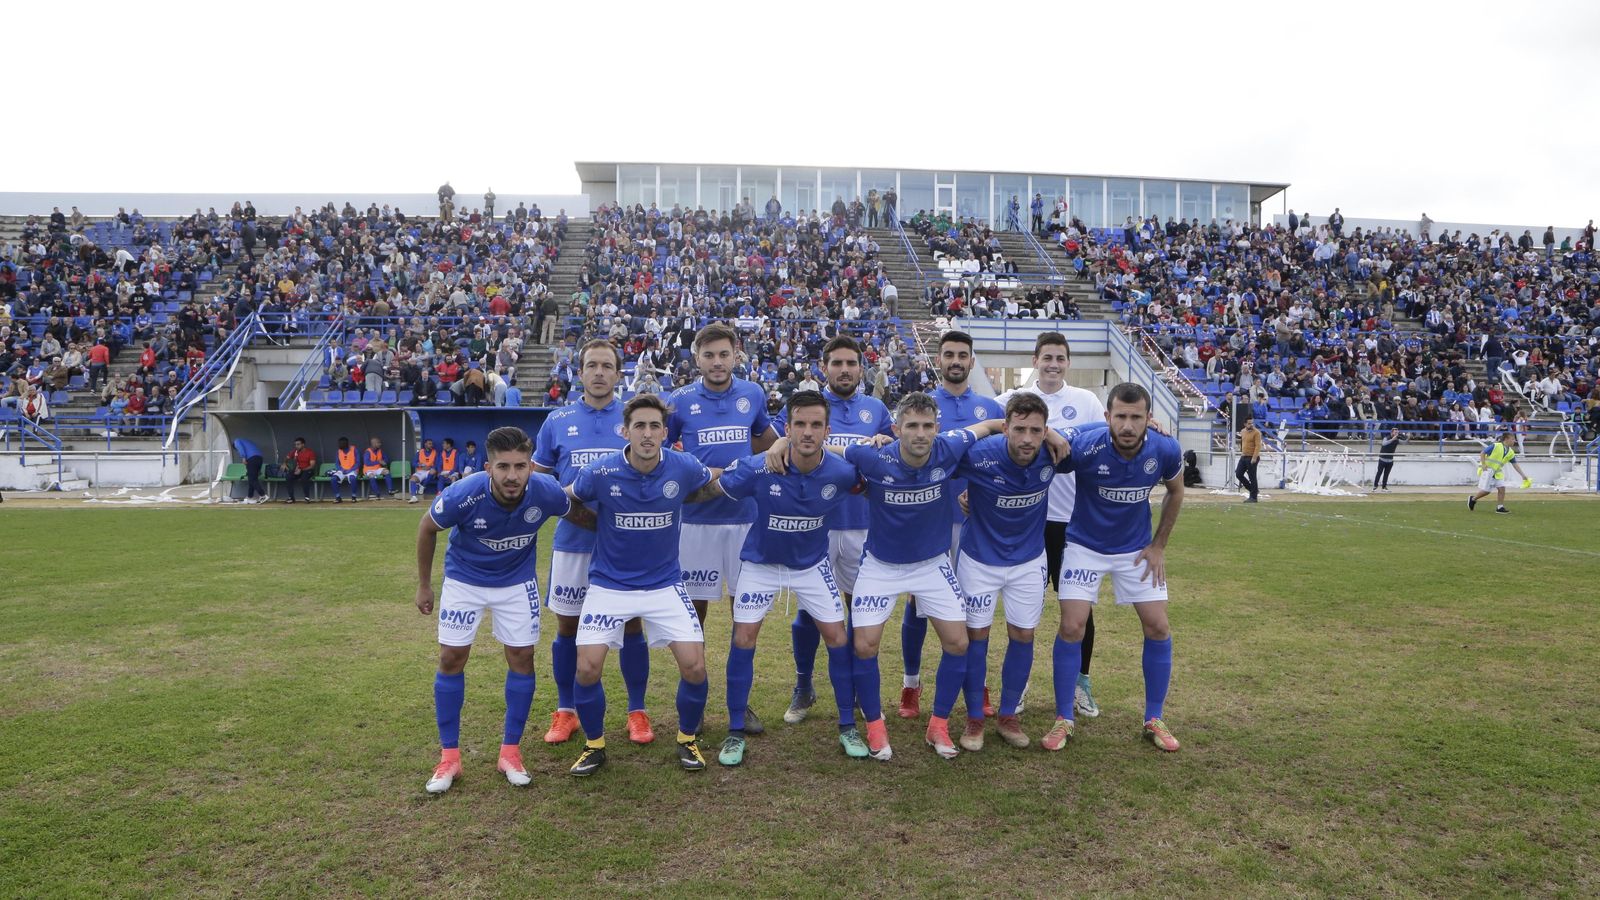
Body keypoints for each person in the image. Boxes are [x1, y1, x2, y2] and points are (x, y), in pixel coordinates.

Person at [766, 391, 980, 761]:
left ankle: (939, 725)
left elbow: (991, 426)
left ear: (938, 428)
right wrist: (785, 441)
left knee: (959, 643)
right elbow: (825, 447)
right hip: (881, 566)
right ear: (896, 429)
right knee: (864, 646)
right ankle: (875, 725)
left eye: (927, 426)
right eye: (911, 426)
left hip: (932, 564)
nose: (919, 434)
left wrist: (1052, 435)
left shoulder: (948, 448)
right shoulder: (872, 456)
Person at [686, 390, 865, 765]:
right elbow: (708, 491)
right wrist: (661, 491)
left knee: (837, 635)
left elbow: (881, 479)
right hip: (761, 564)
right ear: (787, 428)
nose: (807, 432)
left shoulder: (842, 473)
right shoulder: (758, 467)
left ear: (828, 431)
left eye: (816, 425)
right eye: (799, 424)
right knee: (744, 635)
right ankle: (735, 731)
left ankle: (848, 725)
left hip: (812, 566)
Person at [416, 426, 593, 794]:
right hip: (465, 581)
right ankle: (449, 757)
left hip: (516, 584)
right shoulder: (464, 494)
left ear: (531, 467)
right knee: (451, 658)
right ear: (488, 467)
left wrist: (621, 528)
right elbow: (427, 527)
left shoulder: (545, 491)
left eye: (520, 466)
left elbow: (578, 514)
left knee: (522, 658)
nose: (512, 476)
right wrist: (424, 585)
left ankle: (510, 753)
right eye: (503, 467)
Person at [564, 394, 716, 777]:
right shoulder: (599, 472)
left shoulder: (683, 466)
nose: (647, 434)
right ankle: (594, 746)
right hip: (609, 584)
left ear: (665, 432)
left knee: (695, 666)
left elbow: (711, 481)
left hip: (665, 584)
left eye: (654, 426)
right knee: (586, 669)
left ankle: (687, 739)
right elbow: (568, 499)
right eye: (639, 426)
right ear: (625, 431)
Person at [1049, 382, 1186, 753]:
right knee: (1072, 625)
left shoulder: (1165, 448)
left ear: (1148, 419)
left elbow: (1176, 491)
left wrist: (1158, 546)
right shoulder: (1086, 442)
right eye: (1121, 417)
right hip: (1084, 546)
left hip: (1135, 550)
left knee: (1158, 626)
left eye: (1136, 417)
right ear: (1108, 417)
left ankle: (1154, 717)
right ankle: (1064, 717)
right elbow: (1045, 440)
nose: (1128, 425)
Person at [533, 340, 654, 746]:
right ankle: (566, 710)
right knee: (567, 626)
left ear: (619, 374)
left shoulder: (634, 420)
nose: (599, 372)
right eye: (591, 366)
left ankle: (637, 712)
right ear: (579, 372)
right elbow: (540, 482)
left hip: (627, 545)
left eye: (607, 366)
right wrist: (575, 512)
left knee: (632, 624)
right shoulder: (558, 420)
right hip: (573, 542)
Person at [665, 324, 780, 731]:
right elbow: (663, 454)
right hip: (696, 524)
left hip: (744, 522)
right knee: (692, 619)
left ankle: (738, 706)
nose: (717, 362)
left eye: (724, 354)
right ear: (696, 358)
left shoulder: (752, 394)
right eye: (709, 355)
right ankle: (693, 706)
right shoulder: (678, 401)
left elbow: (769, 442)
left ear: (736, 355)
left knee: (744, 618)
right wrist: (697, 476)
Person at [781, 336, 892, 727]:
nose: (844, 370)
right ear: (823, 368)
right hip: (817, 526)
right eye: (837, 363)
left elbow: (890, 461)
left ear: (861, 368)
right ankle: (803, 685)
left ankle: (859, 688)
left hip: (863, 526)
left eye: (851, 363)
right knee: (810, 610)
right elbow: (785, 446)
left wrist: (885, 441)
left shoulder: (876, 410)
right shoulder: (806, 408)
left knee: (860, 611)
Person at [994, 332, 1106, 718]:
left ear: (1068, 363)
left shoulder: (1086, 401)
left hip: (1072, 523)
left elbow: (1109, 436)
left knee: (1077, 608)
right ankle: (1019, 683)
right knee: (1023, 609)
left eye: (1060, 358)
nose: (1053, 364)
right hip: (1025, 521)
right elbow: (991, 429)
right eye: (1047, 357)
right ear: (1035, 360)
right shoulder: (1010, 401)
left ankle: (1081, 682)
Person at [949, 393, 1065, 751]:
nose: (1027, 439)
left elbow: (1102, 436)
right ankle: (973, 718)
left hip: (1028, 561)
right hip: (979, 560)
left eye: (1036, 430)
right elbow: (934, 453)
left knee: (1023, 635)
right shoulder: (980, 455)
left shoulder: (1054, 452)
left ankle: (1008, 715)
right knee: (975, 637)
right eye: (1019, 429)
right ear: (1006, 427)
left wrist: (1152, 427)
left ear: (1045, 431)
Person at [909, 331, 1003, 719]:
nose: (956, 361)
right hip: (930, 520)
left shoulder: (990, 407)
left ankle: (978, 685)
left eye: (962, 355)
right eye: (948, 354)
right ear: (939, 359)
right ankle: (910, 685)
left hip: (975, 523)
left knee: (975, 608)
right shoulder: (923, 405)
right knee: (916, 605)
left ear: (972, 360)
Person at [1468, 431, 1530, 514]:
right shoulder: (1496, 446)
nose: (1514, 441)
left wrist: (1523, 475)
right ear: (1506, 439)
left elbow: (1515, 464)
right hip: (1488, 471)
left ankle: (1500, 507)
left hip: (1497, 473)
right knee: (1487, 491)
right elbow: (1483, 453)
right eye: (1512, 439)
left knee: (1502, 488)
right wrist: (1483, 464)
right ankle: (1473, 499)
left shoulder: (1510, 452)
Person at [282, 437, 317, 503]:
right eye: (295, 444)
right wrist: (284, 463)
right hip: (298, 470)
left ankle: (307, 498)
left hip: (308, 470)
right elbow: (287, 457)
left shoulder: (310, 452)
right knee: (288, 477)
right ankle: (291, 498)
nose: (296, 446)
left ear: (303, 444)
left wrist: (301, 469)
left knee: (304, 478)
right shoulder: (295, 452)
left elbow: (312, 465)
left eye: (298, 444)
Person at [233, 435, 266, 504]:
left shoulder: (237, 441)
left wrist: (243, 457)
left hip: (252, 459)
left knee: (252, 479)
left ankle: (263, 495)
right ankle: (249, 496)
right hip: (259, 458)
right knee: (252, 479)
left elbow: (241, 448)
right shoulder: (247, 442)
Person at [1236, 418, 1261, 502]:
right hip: (1244, 456)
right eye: (1249, 423)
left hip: (1252, 457)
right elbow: (1242, 442)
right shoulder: (1243, 431)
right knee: (1238, 474)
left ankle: (1253, 497)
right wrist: (1241, 451)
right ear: (1245, 424)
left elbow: (1258, 446)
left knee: (1252, 477)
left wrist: (1254, 457)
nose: (1251, 425)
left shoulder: (1257, 433)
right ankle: (1253, 489)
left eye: (1252, 423)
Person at [329, 436, 360, 503]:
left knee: (352, 478)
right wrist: (341, 469)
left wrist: (350, 470)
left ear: (346, 444)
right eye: (339, 443)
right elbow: (337, 463)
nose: (340, 445)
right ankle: (338, 497)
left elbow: (358, 462)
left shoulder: (354, 449)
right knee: (333, 479)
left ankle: (353, 496)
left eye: (341, 443)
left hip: (352, 469)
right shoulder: (339, 451)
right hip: (342, 470)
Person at [409, 438, 439, 504]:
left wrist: (430, 467)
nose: (431, 445)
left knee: (433, 471)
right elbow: (413, 463)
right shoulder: (419, 452)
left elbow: (437, 464)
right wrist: (420, 465)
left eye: (432, 444)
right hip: (421, 471)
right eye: (429, 444)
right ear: (425, 444)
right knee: (412, 480)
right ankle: (414, 497)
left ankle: (423, 486)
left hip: (430, 471)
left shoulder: (435, 452)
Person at [1374, 427, 1404, 492]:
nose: (1396, 433)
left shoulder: (1397, 439)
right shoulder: (1386, 437)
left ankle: (1384, 487)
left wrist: (1408, 437)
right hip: (1382, 459)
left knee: (1386, 474)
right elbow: (1384, 443)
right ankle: (1375, 486)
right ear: (1392, 432)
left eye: (1397, 432)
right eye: (1395, 432)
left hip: (1390, 460)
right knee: (1379, 473)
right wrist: (1392, 439)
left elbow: (1404, 442)